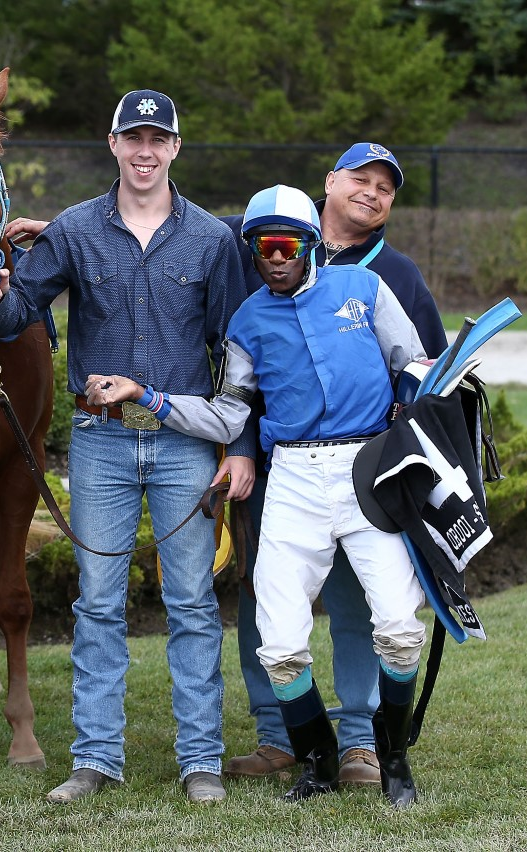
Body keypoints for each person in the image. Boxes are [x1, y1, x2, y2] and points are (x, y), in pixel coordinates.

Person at [93, 184, 428, 807]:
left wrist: (416, 404)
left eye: (287, 244)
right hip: (294, 479)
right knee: (278, 642)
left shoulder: (367, 289)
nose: (274, 257)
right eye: (261, 246)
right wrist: (147, 396)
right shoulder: (246, 322)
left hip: (368, 470)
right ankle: (319, 761)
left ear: (310, 246)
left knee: (400, 628)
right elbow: (228, 416)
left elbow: (414, 361)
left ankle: (394, 759)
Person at [0, 90, 252, 805]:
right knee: (98, 605)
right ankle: (95, 759)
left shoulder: (212, 240)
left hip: (184, 444)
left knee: (192, 604)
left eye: (156, 139)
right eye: (131, 138)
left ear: (174, 148)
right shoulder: (73, 230)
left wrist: (239, 445)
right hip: (101, 445)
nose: (143, 150)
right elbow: (17, 312)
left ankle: (201, 760)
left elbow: (235, 352)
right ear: (112, 143)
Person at [222, 143, 447, 787]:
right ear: (330, 181)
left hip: (367, 468)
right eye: (360, 178)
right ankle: (281, 738)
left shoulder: (391, 275)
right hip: (280, 469)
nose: (372, 192)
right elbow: (241, 383)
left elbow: (419, 366)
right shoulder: (264, 253)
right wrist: (238, 449)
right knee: (269, 608)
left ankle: (362, 745)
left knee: (368, 608)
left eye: (386, 186)